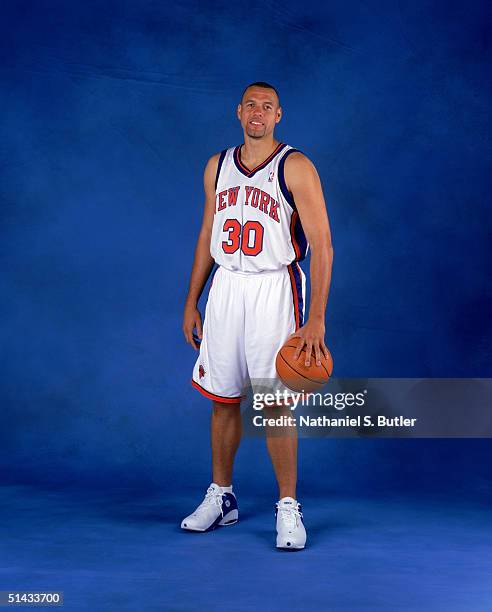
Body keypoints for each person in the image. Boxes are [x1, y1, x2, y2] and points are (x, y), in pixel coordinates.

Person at [181, 82, 333, 549]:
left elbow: (323, 246)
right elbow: (209, 228)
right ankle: (222, 497)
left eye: (267, 107)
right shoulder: (218, 165)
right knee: (223, 397)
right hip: (227, 284)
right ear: (238, 112)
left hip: (275, 286)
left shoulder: (296, 166)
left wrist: (316, 319)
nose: (258, 113)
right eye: (251, 105)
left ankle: (288, 506)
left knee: (274, 403)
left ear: (279, 115)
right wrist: (192, 299)